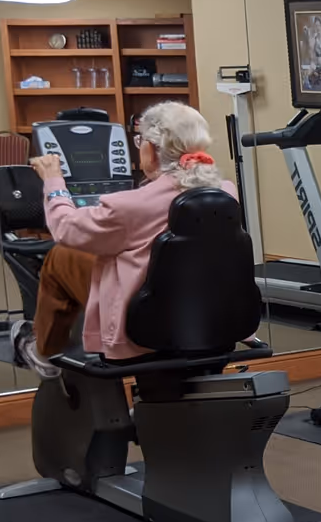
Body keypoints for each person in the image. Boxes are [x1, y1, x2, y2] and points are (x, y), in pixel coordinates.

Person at [12, 102, 237, 376]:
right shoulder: (225, 192)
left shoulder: (129, 206)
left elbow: (65, 228)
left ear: (151, 150)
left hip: (141, 321)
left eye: (140, 140)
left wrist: (54, 180)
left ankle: (44, 353)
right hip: (210, 315)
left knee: (61, 256)